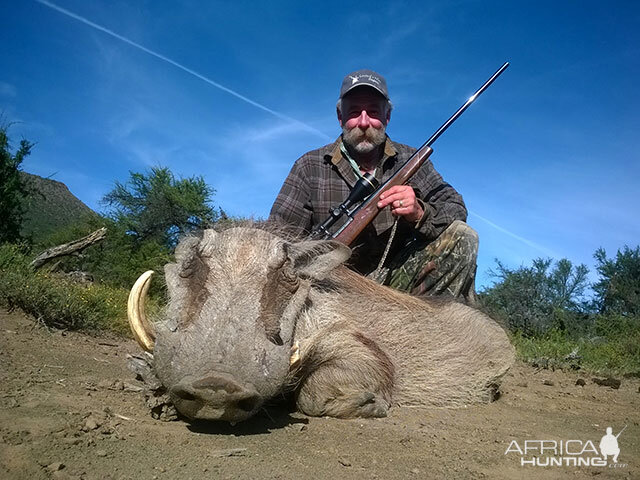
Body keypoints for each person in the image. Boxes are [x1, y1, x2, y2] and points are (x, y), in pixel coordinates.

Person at [269, 69, 479, 303]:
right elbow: (276, 237)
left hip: (396, 291)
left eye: (373, 112)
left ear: (387, 117)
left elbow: (456, 207)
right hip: (327, 290)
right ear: (340, 117)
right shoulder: (309, 165)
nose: (364, 122)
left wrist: (420, 213)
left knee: (462, 237)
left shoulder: (411, 160)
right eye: (354, 112)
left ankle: (418, 334)